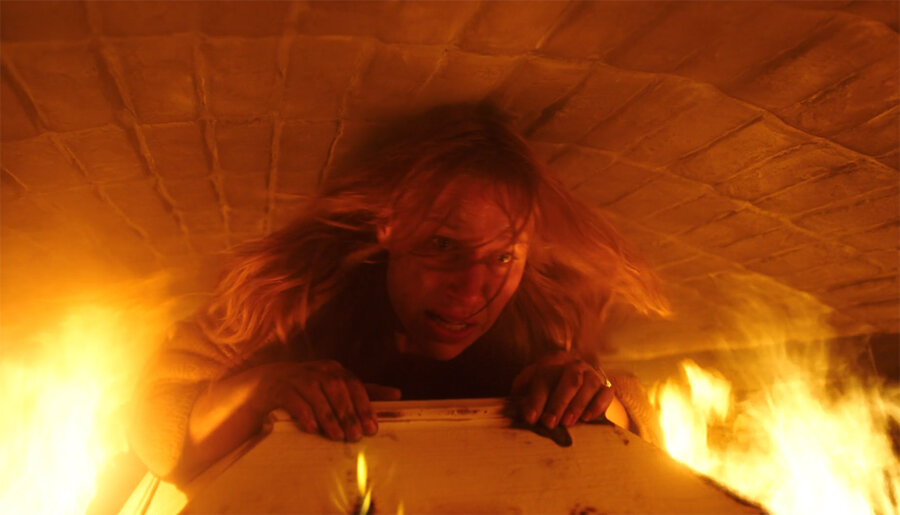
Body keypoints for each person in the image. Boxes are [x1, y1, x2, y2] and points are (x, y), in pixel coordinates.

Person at [129, 103, 668, 484]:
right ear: (389, 226)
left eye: (503, 256)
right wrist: (263, 389)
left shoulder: (545, 312)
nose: (472, 291)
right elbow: (157, 435)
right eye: (443, 245)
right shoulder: (296, 292)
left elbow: (641, 434)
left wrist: (587, 395)